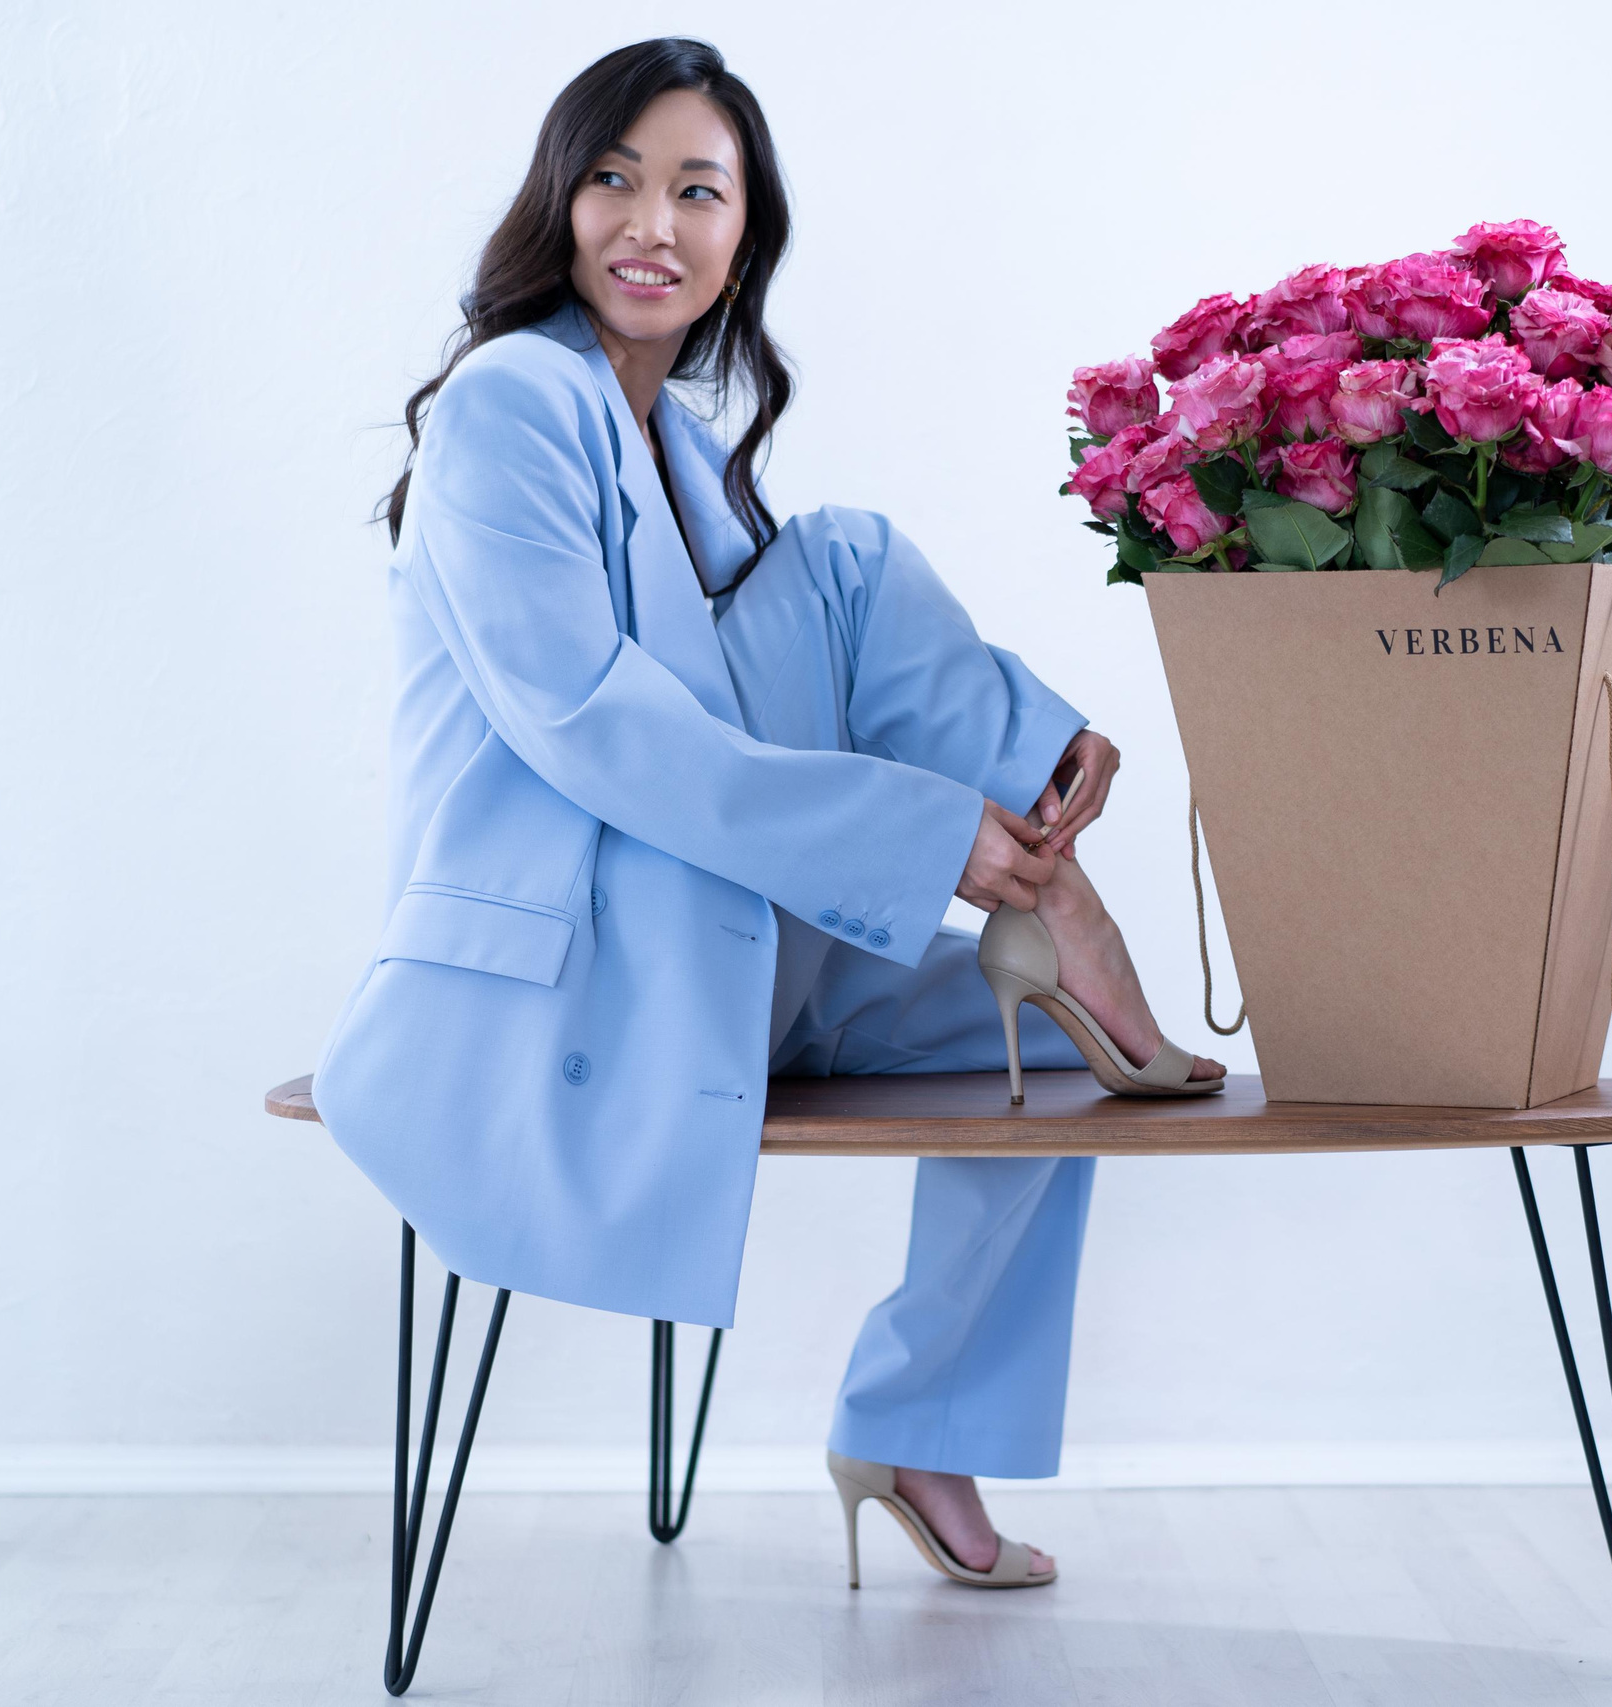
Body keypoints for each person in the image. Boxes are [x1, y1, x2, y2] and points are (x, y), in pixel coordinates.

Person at [312, 36, 1222, 1590]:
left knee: (1050, 1065)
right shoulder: (510, 403)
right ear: (558, 200)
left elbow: (788, 668)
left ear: (745, 240)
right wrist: (930, 838)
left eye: (696, 191)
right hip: (590, 968)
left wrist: (1023, 762)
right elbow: (604, 732)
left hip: (741, 944)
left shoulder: (689, 453)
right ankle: (1049, 904)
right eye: (613, 179)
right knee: (856, 587)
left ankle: (919, 1418)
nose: (649, 223)